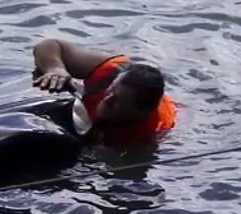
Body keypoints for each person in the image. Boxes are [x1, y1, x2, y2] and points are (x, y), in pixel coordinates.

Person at [31, 38, 176, 146]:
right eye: (111, 90)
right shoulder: (113, 71)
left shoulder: (143, 137)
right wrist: (56, 69)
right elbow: (48, 44)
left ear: (140, 113)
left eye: (117, 101)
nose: (106, 100)